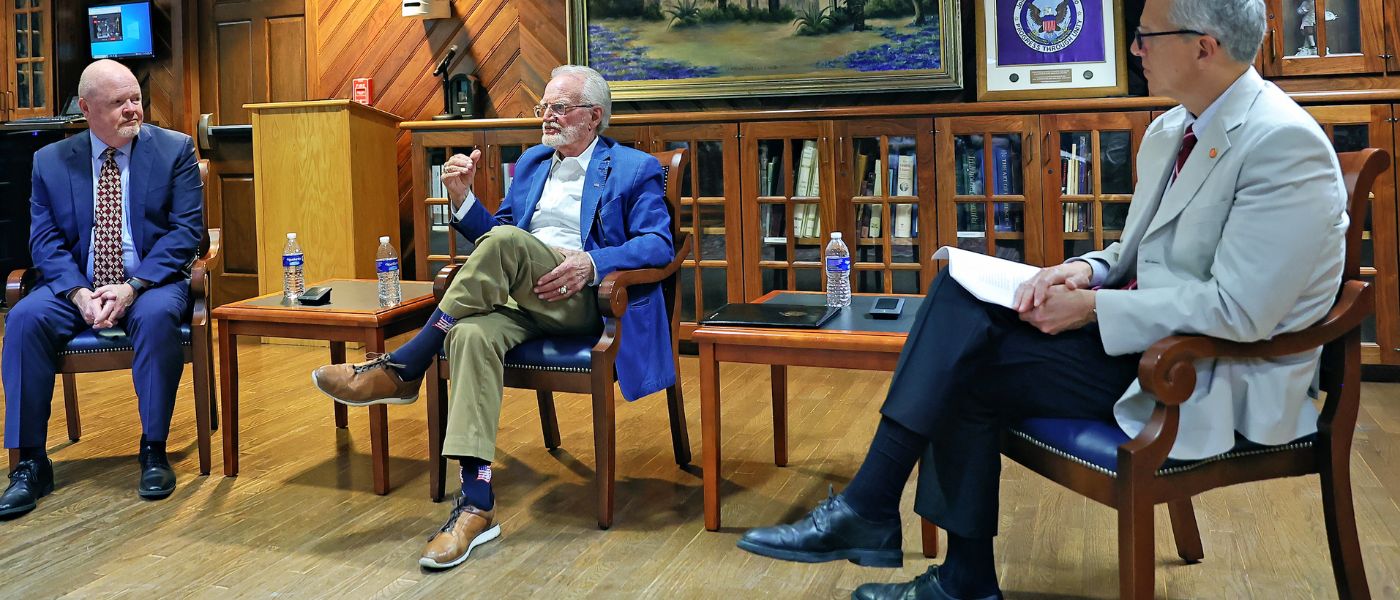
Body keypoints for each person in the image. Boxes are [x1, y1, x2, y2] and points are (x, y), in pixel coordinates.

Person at [735, 0, 1348, 598]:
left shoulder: (1282, 142)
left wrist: (1094, 309)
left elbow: (1241, 310)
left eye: (1146, 35)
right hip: (1144, 343)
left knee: (961, 365)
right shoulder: (1172, 129)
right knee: (958, 298)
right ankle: (912, 542)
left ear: (1204, 48)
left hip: (1208, 373)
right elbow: (1137, 252)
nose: (1135, 49)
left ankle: (898, 533)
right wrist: (1079, 271)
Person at [310, 65, 675, 570]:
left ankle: (407, 364)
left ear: (593, 117)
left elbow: (659, 244)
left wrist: (592, 263)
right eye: (543, 107)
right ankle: (477, 505)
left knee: (505, 248)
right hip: (519, 300)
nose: (547, 116)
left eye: (559, 108)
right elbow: (496, 236)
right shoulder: (532, 163)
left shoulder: (635, 167)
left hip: (581, 301)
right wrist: (462, 200)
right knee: (469, 335)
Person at [1, 60, 204, 518]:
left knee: (156, 317)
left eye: (136, 99)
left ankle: (153, 449)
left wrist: (132, 287)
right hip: (78, 284)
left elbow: (185, 232)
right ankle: (30, 462)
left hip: (150, 281)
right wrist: (78, 293)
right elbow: (44, 240)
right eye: (119, 103)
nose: (133, 110)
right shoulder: (50, 161)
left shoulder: (174, 150)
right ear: (87, 109)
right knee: (24, 318)